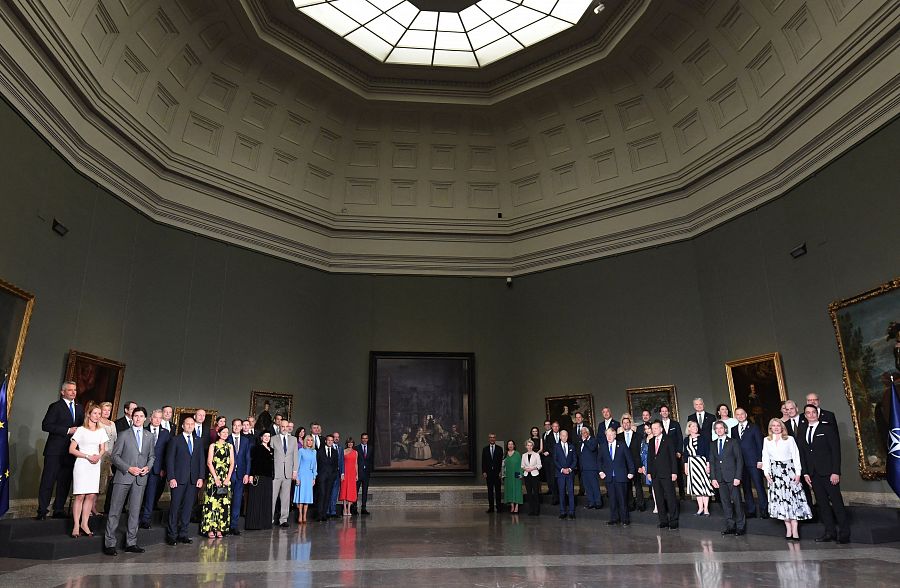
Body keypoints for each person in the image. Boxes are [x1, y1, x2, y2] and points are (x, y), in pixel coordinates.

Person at [104, 406, 154, 556]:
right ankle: (109, 544)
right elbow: (115, 456)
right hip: (123, 477)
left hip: (140, 479)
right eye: (136, 416)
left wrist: (148, 467)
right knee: (115, 511)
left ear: (145, 419)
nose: (138, 418)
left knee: (134, 512)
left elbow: (152, 456)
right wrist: (128, 468)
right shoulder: (124, 434)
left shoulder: (149, 436)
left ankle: (131, 543)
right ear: (132, 417)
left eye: (141, 416)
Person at [798, 404, 849, 543]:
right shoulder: (802, 430)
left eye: (813, 412)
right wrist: (805, 473)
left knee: (837, 503)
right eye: (808, 413)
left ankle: (844, 533)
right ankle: (829, 532)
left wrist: (836, 472)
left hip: (829, 473)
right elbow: (803, 453)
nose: (811, 415)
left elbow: (836, 451)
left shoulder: (827, 428)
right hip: (813, 474)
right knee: (822, 504)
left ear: (817, 414)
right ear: (805, 415)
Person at [36, 381, 84, 520]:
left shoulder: (79, 408)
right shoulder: (56, 406)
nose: (73, 392)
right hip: (54, 451)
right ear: (63, 392)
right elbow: (46, 425)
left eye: (75, 390)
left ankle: (58, 510)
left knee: (64, 482)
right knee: (48, 481)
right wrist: (68, 430)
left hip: (70, 451)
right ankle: (42, 511)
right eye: (70, 390)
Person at [762, 418, 811, 541]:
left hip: (789, 472)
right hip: (775, 474)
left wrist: (798, 473)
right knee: (781, 501)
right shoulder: (767, 440)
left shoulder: (789, 439)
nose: (776, 427)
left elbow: (796, 456)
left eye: (778, 425)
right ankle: (788, 529)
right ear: (770, 428)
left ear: (782, 427)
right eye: (773, 425)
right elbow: (765, 457)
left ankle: (795, 529)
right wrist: (766, 473)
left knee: (792, 500)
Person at [69, 403, 108, 537]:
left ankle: (84, 524)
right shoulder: (81, 430)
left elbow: (103, 448)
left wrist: (98, 456)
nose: (97, 416)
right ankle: (76, 525)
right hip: (82, 464)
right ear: (89, 414)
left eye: (99, 413)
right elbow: (71, 449)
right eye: (95, 413)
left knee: (91, 495)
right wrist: (87, 456)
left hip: (95, 465)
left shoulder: (101, 431)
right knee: (80, 495)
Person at [165, 417, 204, 545]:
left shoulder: (198, 441)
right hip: (178, 479)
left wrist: (200, 477)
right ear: (183, 426)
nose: (190, 426)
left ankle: (183, 534)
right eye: (187, 424)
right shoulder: (175, 440)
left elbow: (201, 460)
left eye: (192, 424)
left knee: (188, 508)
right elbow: (169, 460)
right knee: (175, 507)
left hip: (193, 480)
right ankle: (172, 535)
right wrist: (171, 477)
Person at [710, 420, 745, 536]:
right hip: (719, 478)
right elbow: (712, 462)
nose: (719, 430)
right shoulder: (713, 444)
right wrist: (713, 478)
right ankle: (730, 526)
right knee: (725, 503)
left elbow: (739, 460)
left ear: (725, 429)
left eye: (721, 428)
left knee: (737, 502)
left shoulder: (733, 442)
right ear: (715, 431)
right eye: (717, 428)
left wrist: (738, 477)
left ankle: (740, 527)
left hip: (732, 477)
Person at [732, 408, 768, 519]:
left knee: (759, 486)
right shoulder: (733, 429)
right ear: (735, 416)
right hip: (741, 464)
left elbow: (760, 444)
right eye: (738, 414)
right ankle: (751, 510)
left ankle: (764, 510)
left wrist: (760, 460)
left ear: (746, 414)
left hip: (754, 462)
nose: (740, 416)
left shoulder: (754, 427)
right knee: (746, 488)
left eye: (742, 414)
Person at [139, 409, 171, 529]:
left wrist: (163, 468)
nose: (158, 420)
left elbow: (167, 452)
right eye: (155, 417)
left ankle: (146, 519)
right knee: (138, 494)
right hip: (141, 467)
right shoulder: (143, 430)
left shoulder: (165, 433)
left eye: (160, 418)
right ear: (150, 418)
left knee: (151, 494)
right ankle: (135, 516)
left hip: (156, 469)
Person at [201, 426, 235, 539]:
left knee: (223, 504)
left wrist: (228, 478)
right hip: (214, 477)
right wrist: (215, 478)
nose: (225, 434)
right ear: (219, 433)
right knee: (211, 503)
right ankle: (210, 529)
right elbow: (209, 462)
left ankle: (220, 528)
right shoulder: (213, 446)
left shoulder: (230, 446)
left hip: (225, 477)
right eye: (223, 432)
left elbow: (232, 463)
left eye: (226, 432)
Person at [599, 426, 634, 526]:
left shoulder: (622, 445)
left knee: (622, 499)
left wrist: (631, 471)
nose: (609, 437)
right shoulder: (603, 446)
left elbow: (629, 459)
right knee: (612, 499)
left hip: (621, 477)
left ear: (615, 435)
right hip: (609, 477)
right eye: (607, 435)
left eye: (611, 435)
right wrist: (601, 471)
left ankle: (625, 519)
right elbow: (599, 461)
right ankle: (614, 519)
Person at [646, 419, 678, 529]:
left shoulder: (668, 440)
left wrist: (674, 472)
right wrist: (649, 472)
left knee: (670, 497)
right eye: (652, 428)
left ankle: (673, 520)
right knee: (659, 499)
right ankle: (663, 521)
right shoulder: (651, 441)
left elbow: (673, 457)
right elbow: (649, 458)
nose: (654, 430)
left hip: (667, 473)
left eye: (656, 428)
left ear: (661, 429)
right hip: (655, 474)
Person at [682, 420, 713, 516]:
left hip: (702, 463)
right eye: (693, 426)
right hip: (692, 464)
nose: (695, 428)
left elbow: (708, 452)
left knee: (704, 486)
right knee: (697, 487)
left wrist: (708, 465)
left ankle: (706, 509)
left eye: (696, 426)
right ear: (689, 428)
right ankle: (700, 509)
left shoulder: (703, 438)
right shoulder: (686, 440)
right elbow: (686, 454)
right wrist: (686, 466)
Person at [245, 431, 274, 530]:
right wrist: (251, 475)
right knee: (257, 499)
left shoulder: (272, 450)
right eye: (265, 436)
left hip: (268, 477)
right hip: (258, 476)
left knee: (266, 500)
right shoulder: (256, 448)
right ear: (261, 437)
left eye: (268, 436)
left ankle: (265, 523)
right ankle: (254, 524)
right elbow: (254, 463)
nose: (267, 438)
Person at [227, 418, 251, 535]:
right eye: (234, 425)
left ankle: (234, 526)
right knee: (226, 499)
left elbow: (248, 458)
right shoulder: (227, 438)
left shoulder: (246, 441)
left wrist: (247, 474)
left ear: (241, 427)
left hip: (241, 474)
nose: (236, 427)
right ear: (232, 426)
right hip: (228, 475)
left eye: (238, 425)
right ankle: (224, 525)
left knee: (237, 500)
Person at [273, 421, 298, 527]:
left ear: (289, 427)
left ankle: (283, 519)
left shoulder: (293, 439)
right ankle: (270, 519)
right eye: (282, 426)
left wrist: (295, 471)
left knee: (286, 498)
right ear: (279, 427)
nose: (284, 428)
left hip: (288, 472)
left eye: (286, 426)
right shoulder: (273, 439)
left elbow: (295, 456)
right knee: (272, 497)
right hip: (276, 472)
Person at [618, 415, 644, 511]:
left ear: (630, 424)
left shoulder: (638, 436)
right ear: (622, 424)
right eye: (624, 423)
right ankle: (630, 505)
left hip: (636, 465)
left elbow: (641, 452)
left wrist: (641, 465)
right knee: (627, 486)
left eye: (627, 422)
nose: (626, 424)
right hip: (624, 466)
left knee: (638, 485)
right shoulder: (618, 437)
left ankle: (641, 504)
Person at [95, 401, 117, 515]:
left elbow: (115, 440)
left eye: (109, 410)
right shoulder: (97, 422)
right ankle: (90, 508)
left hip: (109, 457)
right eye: (105, 410)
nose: (107, 412)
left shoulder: (112, 423)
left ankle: (95, 506)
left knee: (102, 483)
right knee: (95, 482)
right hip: (99, 455)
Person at [658, 405, 684, 499]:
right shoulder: (658, 425)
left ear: (668, 412)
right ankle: (669, 496)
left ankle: (682, 495)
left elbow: (680, 438)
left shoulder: (675, 424)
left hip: (675, 454)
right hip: (663, 456)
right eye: (662, 411)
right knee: (667, 476)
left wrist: (679, 451)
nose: (664, 412)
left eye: (666, 411)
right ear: (660, 413)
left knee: (679, 475)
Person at [316, 434, 340, 522]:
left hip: (331, 477)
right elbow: (316, 463)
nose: (330, 442)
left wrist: (334, 475)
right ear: (325, 441)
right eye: (328, 440)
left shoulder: (335, 452)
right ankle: (319, 514)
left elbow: (336, 465)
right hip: (321, 476)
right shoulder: (320, 451)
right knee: (321, 494)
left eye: (331, 440)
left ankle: (324, 514)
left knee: (327, 495)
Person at [554, 429, 577, 519]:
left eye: (566, 435)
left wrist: (570, 469)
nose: (564, 437)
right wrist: (562, 469)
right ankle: (562, 511)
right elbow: (555, 460)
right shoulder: (556, 446)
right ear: (560, 437)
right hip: (561, 474)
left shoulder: (572, 446)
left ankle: (572, 512)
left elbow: (575, 460)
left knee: (571, 492)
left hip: (570, 473)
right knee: (562, 492)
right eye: (563, 436)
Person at [294, 435, 317, 523]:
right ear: (305, 441)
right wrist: (297, 477)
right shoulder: (301, 451)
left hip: (309, 476)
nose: (310, 442)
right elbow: (297, 464)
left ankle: (305, 516)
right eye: (308, 440)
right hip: (301, 475)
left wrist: (314, 478)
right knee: (301, 496)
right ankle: (300, 515)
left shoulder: (314, 452)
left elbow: (315, 465)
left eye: (311, 440)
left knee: (307, 497)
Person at [577, 426, 601, 509]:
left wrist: (585, 441)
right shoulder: (581, 442)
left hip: (592, 468)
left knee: (594, 486)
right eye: (582, 433)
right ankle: (591, 502)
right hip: (583, 468)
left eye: (585, 432)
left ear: (588, 433)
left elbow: (592, 448)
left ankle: (598, 502)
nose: (583, 434)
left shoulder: (593, 440)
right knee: (587, 487)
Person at [481, 433, 504, 513]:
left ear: (495, 439)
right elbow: (483, 461)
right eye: (490, 437)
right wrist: (484, 471)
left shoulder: (499, 449)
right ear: (489, 439)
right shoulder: (485, 449)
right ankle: (491, 508)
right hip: (488, 473)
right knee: (490, 491)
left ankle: (499, 507)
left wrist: (501, 472)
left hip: (497, 473)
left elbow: (501, 462)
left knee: (498, 491)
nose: (492, 439)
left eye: (493, 437)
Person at [521, 438, 542, 516]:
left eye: (531, 445)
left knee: (536, 493)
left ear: (533, 446)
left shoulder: (536, 455)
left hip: (535, 475)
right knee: (529, 493)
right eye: (528, 445)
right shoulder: (523, 455)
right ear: (526, 446)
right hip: (527, 475)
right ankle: (531, 510)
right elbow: (522, 466)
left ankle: (536, 510)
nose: (529, 447)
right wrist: (525, 469)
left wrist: (532, 468)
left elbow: (539, 465)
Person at [501, 440, 522, 513]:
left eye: (512, 444)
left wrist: (521, 474)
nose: (510, 445)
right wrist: (502, 475)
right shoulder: (505, 454)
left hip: (516, 474)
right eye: (509, 444)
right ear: (507, 446)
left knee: (517, 489)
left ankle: (517, 506)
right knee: (509, 490)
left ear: (514, 445)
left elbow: (521, 465)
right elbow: (503, 466)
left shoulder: (517, 454)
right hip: (508, 475)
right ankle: (512, 505)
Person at [542, 421, 560, 505]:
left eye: (557, 426)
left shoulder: (563, 434)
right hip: (552, 460)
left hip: (562, 461)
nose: (555, 428)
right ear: (552, 427)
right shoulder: (548, 436)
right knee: (553, 480)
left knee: (561, 480)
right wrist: (556, 454)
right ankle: (555, 498)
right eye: (554, 426)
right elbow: (548, 447)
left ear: (559, 427)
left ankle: (563, 498)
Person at [339, 438, 358, 516]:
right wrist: (342, 473)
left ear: (353, 444)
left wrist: (357, 474)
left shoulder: (355, 452)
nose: (350, 444)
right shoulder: (343, 451)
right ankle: (344, 508)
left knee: (351, 490)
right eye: (349, 442)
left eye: (351, 442)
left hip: (352, 473)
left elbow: (356, 464)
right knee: (344, 490)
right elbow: (341, 463)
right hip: (345, 473)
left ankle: (349, 509)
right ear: (347, 443)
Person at [355, 432, 373, 515]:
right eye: (363, 438)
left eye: (366, 438)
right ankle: (354, 508)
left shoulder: (371, 448)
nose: (364, 440)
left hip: (366, 474)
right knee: (356, 491)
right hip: (358, 473)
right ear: (361, 439)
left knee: (365, 491)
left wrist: (370, 469)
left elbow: (371, 460)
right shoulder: (356, 448)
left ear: (367, 439)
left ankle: (363, 508)